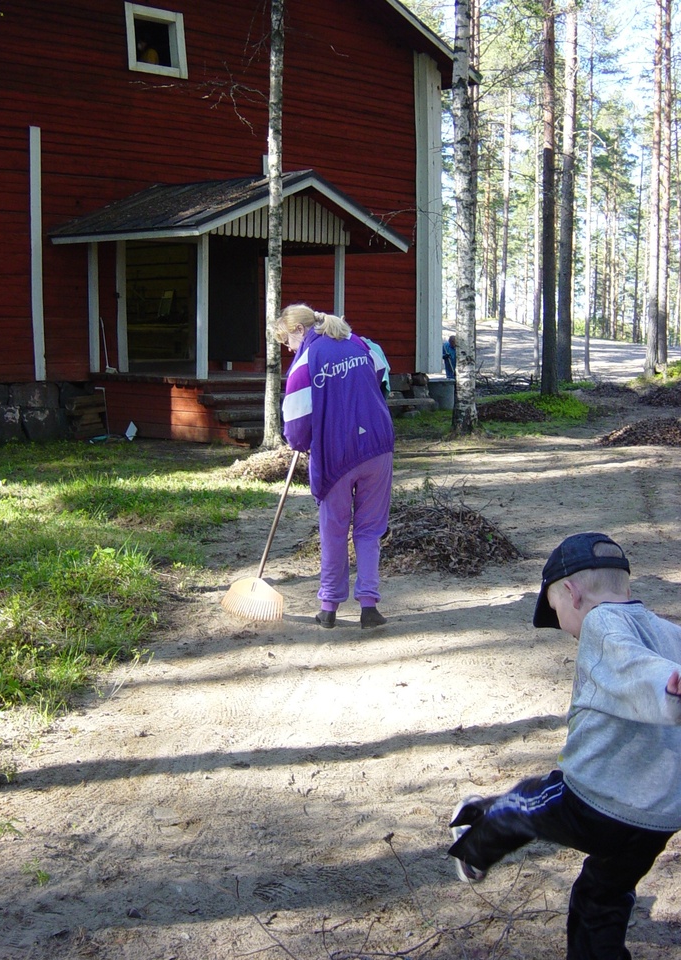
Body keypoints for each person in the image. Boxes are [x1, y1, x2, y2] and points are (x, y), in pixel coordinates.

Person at [448, 531, 681, 960]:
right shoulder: (670, 632)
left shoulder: (601, 623)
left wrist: (668, 688)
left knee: (526, 803)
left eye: (556, 612)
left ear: (572, 594)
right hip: (659, 817)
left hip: (596, 799)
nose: (563, 628)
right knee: (602, 894)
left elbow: (636, 665)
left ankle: (474, 841)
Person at [274, 303, 394, 629]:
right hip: (377, 445)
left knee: (334, 529)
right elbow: (383, 380)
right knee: (369, 529)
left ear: (300, 330)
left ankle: (328, 607)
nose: (288, 348)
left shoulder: (305, 361)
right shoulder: (362, 344)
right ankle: (369, 606)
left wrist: (300, 442)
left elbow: (296, 422)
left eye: (287, 340)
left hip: (336, 454)